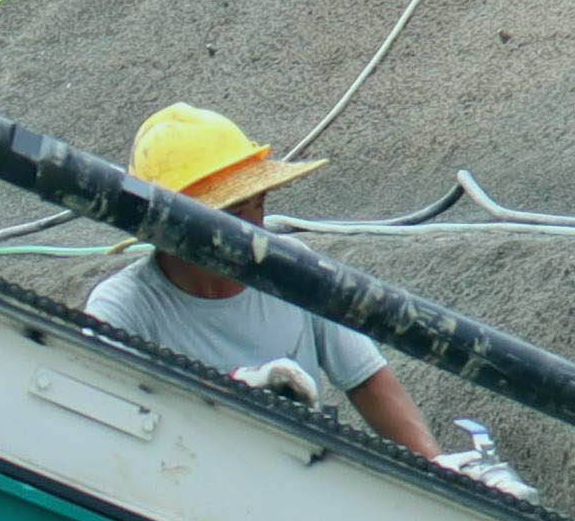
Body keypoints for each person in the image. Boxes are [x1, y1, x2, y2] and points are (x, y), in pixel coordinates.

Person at [77, 104, 432, 451]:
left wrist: (440, 467)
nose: (253, 232)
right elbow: (105, 423)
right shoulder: (124, 308)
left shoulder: (295, 271)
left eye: (259, 205)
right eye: (232, 216)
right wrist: (231, 394)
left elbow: (368, 382)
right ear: (170, 229)